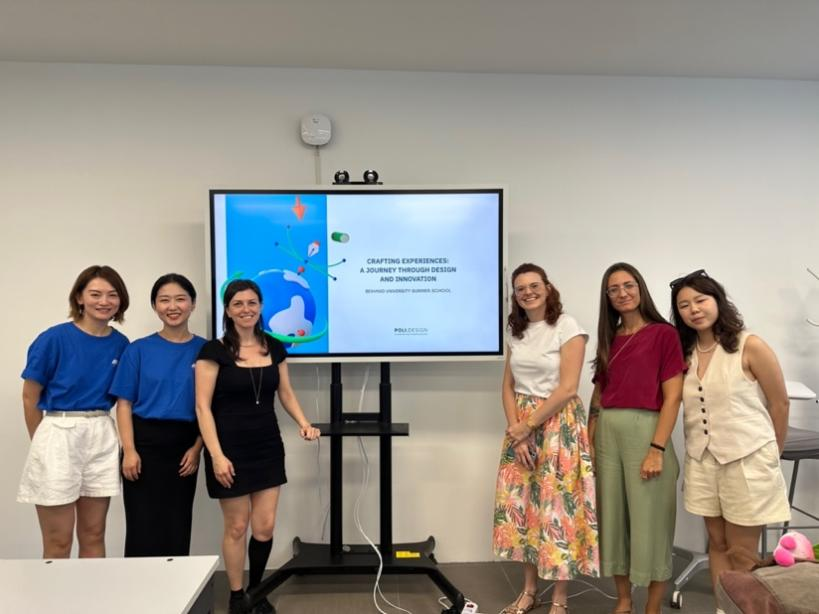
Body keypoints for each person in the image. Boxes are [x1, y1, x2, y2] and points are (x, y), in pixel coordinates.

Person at [195, 279, 320, 614]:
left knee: (264, 528)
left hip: (267, 446)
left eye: (251, 303)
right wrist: (216, 456)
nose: (245, 309)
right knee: (237, 527)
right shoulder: (213, 352)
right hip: (228, 449)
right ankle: (237, 596)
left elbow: (286, 393)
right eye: (238, 304)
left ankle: (256, 591)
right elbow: (202, 407)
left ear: (261, 306)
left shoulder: (274, 347)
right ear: (227, 310)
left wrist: (304, 423)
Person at [670, 269, 790, 607]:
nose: (694, 309)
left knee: (742, 551)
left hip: (747, 460)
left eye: (700, 300)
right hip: (703, 461)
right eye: (684, 305)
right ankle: (723, 608)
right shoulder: (686, 353)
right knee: (718, 543)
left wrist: (772, 454)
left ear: (718, 300)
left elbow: (779, 404)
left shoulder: (749, 345)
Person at [493, 263, 599, 614]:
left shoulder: (567, 327)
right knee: (525, 508)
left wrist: (528, 425)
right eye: (520, 288)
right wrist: (517, 431)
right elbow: (508, 386)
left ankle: (560, 599)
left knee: (557, 509)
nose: (528, 292)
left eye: (534, 285)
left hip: (558, 424)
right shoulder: (516, 331)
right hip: (521, 425)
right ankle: (529, 591)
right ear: (515, 295)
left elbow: (568, 388)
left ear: (548, 287)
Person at [589, 262, 685, 614]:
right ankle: (624, 601)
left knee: (651, 524)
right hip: (607, 436)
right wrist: (589, 441)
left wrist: (657, 448)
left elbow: (673, 397)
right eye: (613, 289)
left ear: (640, 288)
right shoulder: (609, 338)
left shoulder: (664, 334)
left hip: (647, 433)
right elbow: (598, 395)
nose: (622, 293)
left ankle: (652, 607)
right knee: (614, 522)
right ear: (607, 297)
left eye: (628, 285)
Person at [18, 265, 130, 558]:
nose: (104, 301)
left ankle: (92, 590)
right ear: (79, 297)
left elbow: (124, 398)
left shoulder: (121, 344)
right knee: (59, 540)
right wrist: (42, 444)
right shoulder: (54, 338)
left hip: (101, 433)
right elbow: (30, 396)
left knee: (94, 534)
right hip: (58, 432)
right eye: (95, 294)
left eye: (112, 294)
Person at [110, 273, 206, 557]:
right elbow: (124, 404)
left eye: (180, 299)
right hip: (143, 445)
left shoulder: (206, 350)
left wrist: (197, 448)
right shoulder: (138, 350)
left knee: (178, 523)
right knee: (142, 524)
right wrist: (129, 451)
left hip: (185, 446)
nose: (172, 306)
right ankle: (137, 584)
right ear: (155, 306)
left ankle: (177, 584)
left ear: (193, 304)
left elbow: (212, 407)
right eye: (164, 300)